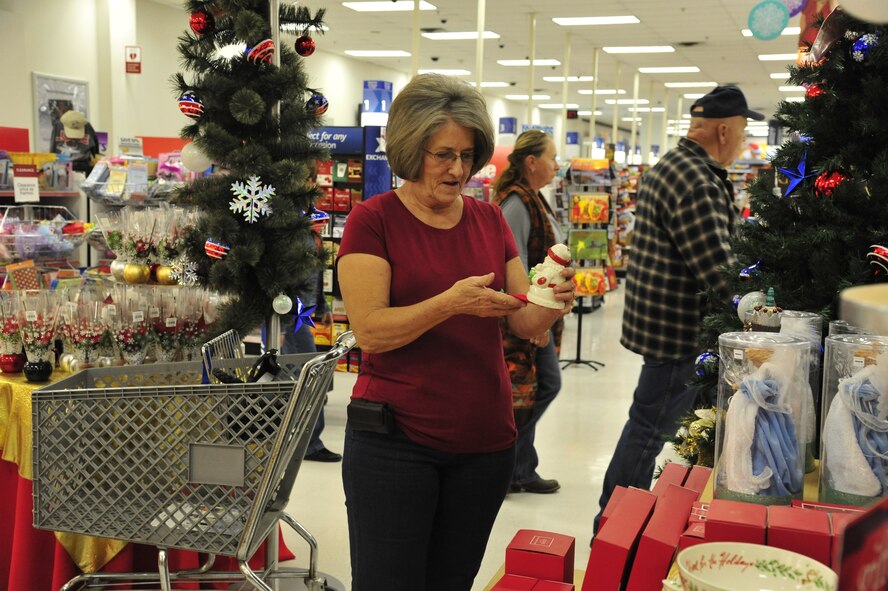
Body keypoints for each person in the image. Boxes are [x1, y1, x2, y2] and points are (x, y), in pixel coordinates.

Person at [336, 73, 575, 591]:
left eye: (468, 156)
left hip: (485, 445)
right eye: (443, 154)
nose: (458, 169)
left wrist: (549, 304)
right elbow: (371, 331)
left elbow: (520, 319)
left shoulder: (489, 220)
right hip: (395, 445)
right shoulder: (372, 221)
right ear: (409, 148)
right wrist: (449, 304)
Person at [592, 85, 762, 536]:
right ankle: (612, 526)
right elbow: (718, 270)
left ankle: (618, 520)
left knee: (647, 423)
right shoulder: (697, 180)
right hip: (679, 333)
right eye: (743, 131)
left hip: (660, 324)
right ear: (724, 129)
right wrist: (762, 300)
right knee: (648, 429)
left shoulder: (672, 166)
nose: (743, 140)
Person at [490, 129, 564, 495]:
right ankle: (504, 461)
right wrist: (533, 317)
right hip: (525, 315)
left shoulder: (535, 197)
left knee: (532, 390)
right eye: (551, 158)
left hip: (539, 312)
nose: (557, 165)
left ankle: (519, 467)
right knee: (543, 385)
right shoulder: (517, 203)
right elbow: (513, 264)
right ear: (532, 162)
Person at [280, 187, 339, 462]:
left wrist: (323, 307)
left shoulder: (309, 232)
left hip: (302, 313)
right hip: (292, 316)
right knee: (311, 376)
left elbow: (312, 274)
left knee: (305, 375)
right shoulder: (292, 234)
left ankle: (301, 440)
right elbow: (286, 279)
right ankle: (309, 444)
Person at [50, 110, 99, 175]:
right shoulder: (58, 126)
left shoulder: (87, 127)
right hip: (61, 168)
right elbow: (52, 151)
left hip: (84, 168)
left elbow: (95, 153)